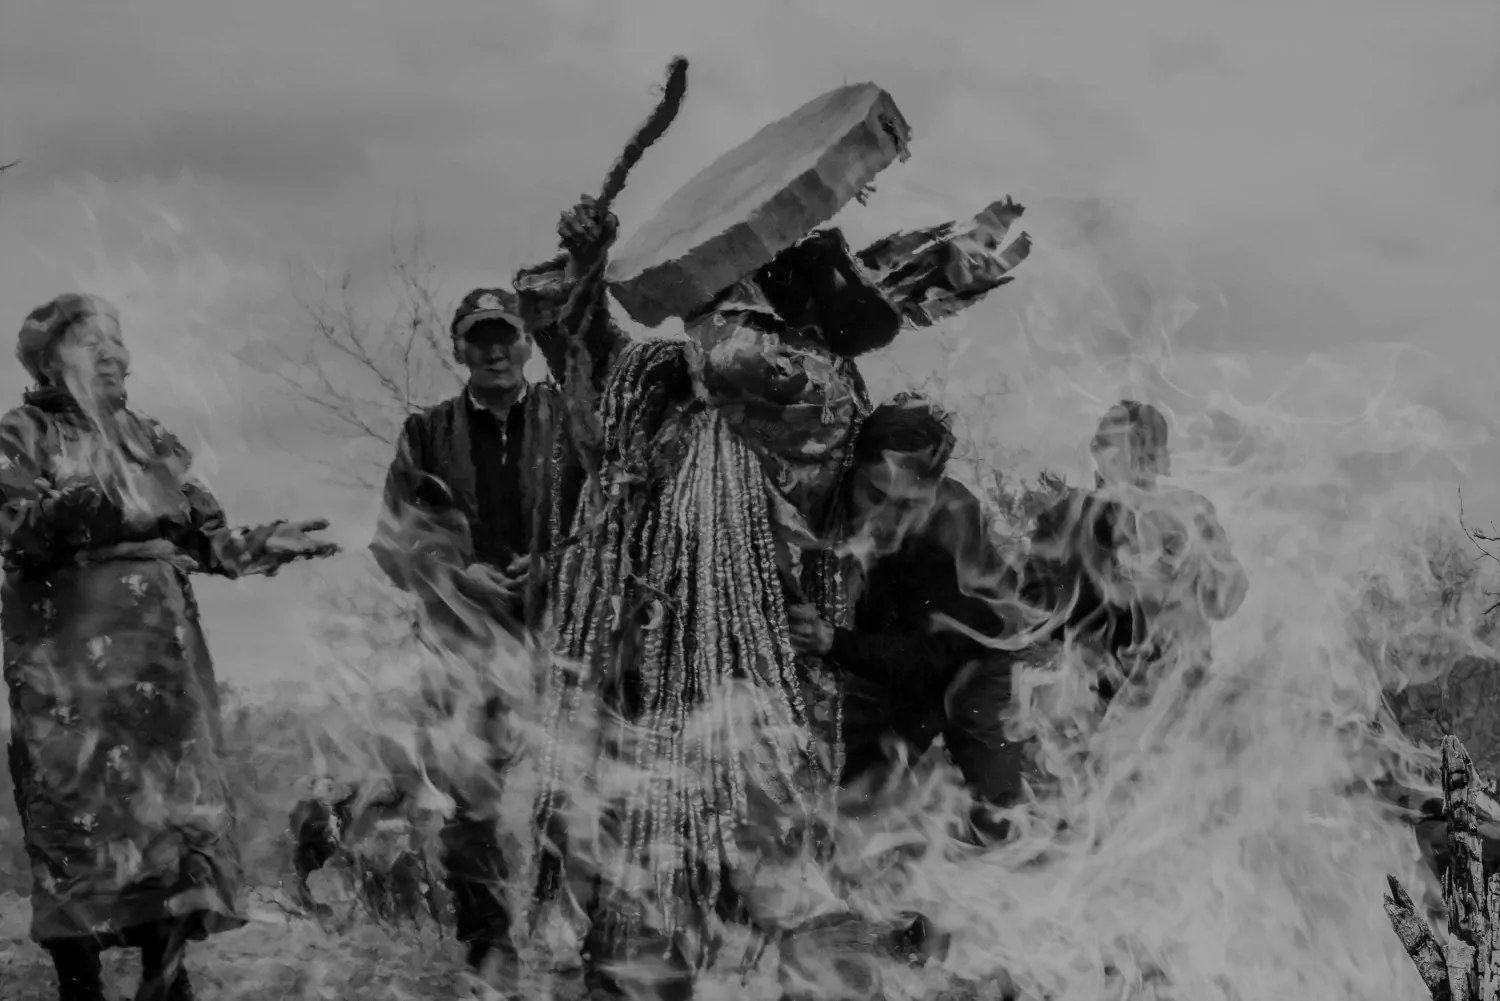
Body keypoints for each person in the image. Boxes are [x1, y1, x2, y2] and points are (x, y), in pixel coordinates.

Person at [1, 293, 337, 1001]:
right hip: (68, 669)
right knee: (73, 810)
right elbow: (14, 530)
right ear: (49, 362)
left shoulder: (150, 436)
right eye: (90, 341)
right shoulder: (22, 433)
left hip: (159, 657)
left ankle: (167, 978)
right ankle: (79, 982)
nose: (111, 353)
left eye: (116, 340)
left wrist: (260, 544)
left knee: (171, 812)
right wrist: (95, 495)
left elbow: (206, 537)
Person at [364, 279, 597, 990]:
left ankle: (584, 934)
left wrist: (554, 563)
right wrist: (457, 575)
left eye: (506, 337)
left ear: (527, 344)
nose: (495, 352)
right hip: (462, 645)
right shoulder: (426, 433)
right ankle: (490, 945)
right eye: (480, 339)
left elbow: (610, 516)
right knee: (472, 799)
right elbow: (392, 542)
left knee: (579, 783)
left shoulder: (570, 418)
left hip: (563, 630)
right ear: (459, 349)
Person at [786, 396, 1027, 824]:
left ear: (934, 490)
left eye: (909, 505)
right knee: (840, 789)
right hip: (891, 645)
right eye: (876, 495)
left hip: (972, 658)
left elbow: (929, 663)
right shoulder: (826, 494)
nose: (889, 522)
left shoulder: (950, 534)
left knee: (997, 807)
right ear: (853, 471)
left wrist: (832, 641)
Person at [1022, 400, 1249, 704]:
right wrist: (1081, 638)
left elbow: (1225, 603)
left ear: (1158, 457)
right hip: (1091, 696)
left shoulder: (1191, 513)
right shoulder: (1065, 519)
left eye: (1145, 449)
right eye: (1106, 445)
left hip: (1175, 694)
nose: (1131, 461)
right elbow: (1032, 602)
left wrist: (1204, 561)